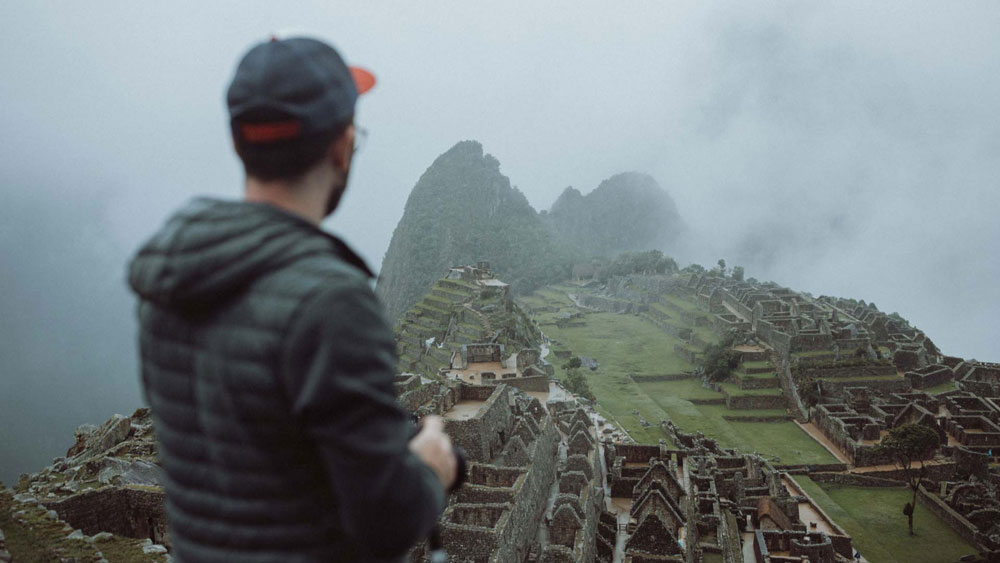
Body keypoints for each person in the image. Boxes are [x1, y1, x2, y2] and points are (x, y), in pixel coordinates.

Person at [128, 36, 457, 562]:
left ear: (239, 143)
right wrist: (432, 467)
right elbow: (387, 520)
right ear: (342, 147)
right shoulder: (331, 304)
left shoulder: (169, 278)